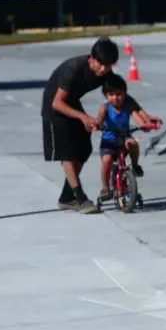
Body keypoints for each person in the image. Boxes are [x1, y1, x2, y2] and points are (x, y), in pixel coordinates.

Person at [41, 36, 119, 213]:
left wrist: (142, 115)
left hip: (72, 103)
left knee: (83, 149)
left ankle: (66, 198)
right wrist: (83, 117)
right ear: (91, 58)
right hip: (54, 107)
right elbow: (57, 103)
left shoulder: (106, 72)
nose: (103, 69)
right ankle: (80, 197)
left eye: (108, 66)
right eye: (100, 64)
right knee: (68, 153)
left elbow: (118, 93)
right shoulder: (74, 69)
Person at [95, 73, 162, 209]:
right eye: (111, 95)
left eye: (119, 94)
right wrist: (98, 125)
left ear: (125, 94)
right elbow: (99, 121)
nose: (116, 98)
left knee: (132, 143)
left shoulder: (128, 105)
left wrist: (144, 125)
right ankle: (105, 188)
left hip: (124, 138)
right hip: (109, 141)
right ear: (106, 96)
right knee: (107, 161)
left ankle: (135, 166)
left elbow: (137, 116)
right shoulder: (104, 108)